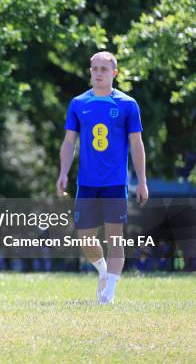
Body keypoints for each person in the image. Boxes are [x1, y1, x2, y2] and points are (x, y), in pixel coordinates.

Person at [56, 51, 148, 304]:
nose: (98, 73)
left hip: (115, 184)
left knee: (114, 238)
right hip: (86, 184)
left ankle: (108, 295)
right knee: (85, 239)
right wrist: (63, 173)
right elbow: (68, 142)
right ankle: (104, 272)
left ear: (114, 73)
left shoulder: (128, 104)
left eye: (104, 69)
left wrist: (142, 180)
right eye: (94, 68)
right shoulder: (78, 103)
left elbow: (137, 144)